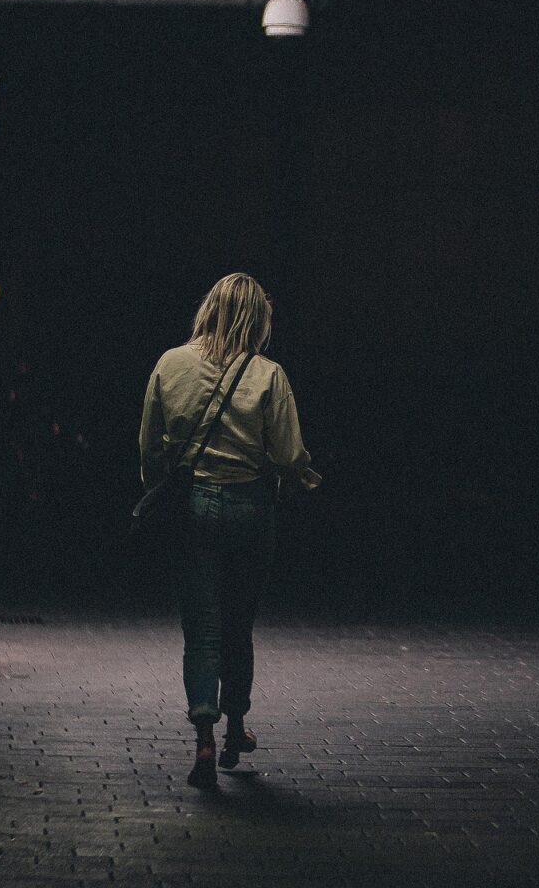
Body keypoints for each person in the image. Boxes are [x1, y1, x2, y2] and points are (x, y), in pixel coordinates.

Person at [139, 273, 321, 789]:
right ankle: (237, 726)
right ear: (257, 319)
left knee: (201, 629)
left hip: (192, 506)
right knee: (238, 624)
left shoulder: (170, 364)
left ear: (210, 310)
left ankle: (203, 738)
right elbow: (288, 456)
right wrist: (306, 479)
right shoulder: (269, 374)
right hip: (249, 507)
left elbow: (151, 446)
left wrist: (160, 493)